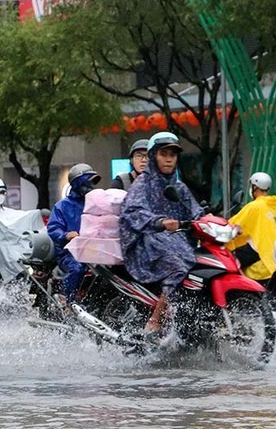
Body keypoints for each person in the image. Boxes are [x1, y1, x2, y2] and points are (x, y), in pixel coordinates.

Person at [120, 131, 204, 342]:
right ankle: (156, 319)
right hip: (143, 241)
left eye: (173, 155)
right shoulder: (143, 183)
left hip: (173, 240)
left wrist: (212, 220)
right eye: (163, 153)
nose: (168, 158)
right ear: (154, 156)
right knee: (177, 265)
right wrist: (159, 222)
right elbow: (133, 212)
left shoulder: (178, 186)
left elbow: (194, 211)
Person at [47, 163, 101, 301]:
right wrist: (66, 235)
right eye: (88, 181)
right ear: (77, 182)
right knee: (77, 268)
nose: (91, 185)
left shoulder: (96, 203)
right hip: (68, 253)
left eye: (93, 182)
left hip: (92, 250)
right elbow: (53, 228)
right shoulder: (62, 206)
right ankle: (68, 301)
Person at [227, 172, 276, 282]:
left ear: (254, 187)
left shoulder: (255, 206)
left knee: (229, 260)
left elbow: (233, 224)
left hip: (261, 253)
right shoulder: (273, 206)